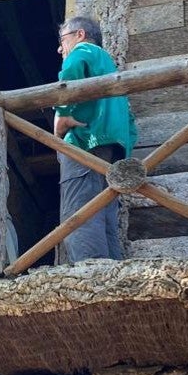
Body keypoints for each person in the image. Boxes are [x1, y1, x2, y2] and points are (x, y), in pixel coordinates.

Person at [54, 16, 137, 262]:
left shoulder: (83, 51)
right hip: (110, 147)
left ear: (79, 35)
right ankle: (111, 269)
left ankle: (90, 269)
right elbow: (130, 122)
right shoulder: (108, 65)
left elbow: (68, 77)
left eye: (62, 40)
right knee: (105, 212)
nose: (60, 48)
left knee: (78, 210)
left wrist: (63, 116)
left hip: (84, 141)